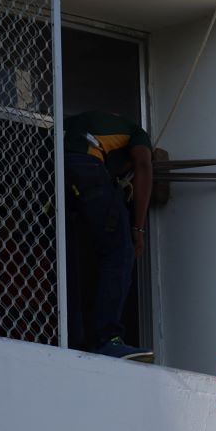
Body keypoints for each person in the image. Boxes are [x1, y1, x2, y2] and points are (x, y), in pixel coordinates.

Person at [64, 109, 155, 360]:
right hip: (85, 166)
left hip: (48, 166)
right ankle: (106, 339)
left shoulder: (84, 122)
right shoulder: (137, 133)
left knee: (71, 257)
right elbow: (143, 165)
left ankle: (71, 337)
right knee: (120, 253)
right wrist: (138, 229)